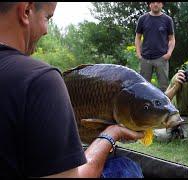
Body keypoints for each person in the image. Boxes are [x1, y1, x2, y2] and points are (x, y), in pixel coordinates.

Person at [0, 2, 145, 178]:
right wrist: (111, 134)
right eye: (47, 18)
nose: (46, 30)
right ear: (26, 10)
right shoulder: (40, 80)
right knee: (125, 168)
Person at [135, 1, 175, 92]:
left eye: (158, 2)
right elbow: (138, 37)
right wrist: (138, 54)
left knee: (164, 87)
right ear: (149, 4)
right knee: (143, 86)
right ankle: (143, 106)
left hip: (162, 58)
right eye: (153, 2)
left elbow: (172, 39)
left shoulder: (167, 20)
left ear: (162, 4)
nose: (155, 4)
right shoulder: (142, 19)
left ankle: (164, 106)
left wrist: (169, 53)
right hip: (145, 58)